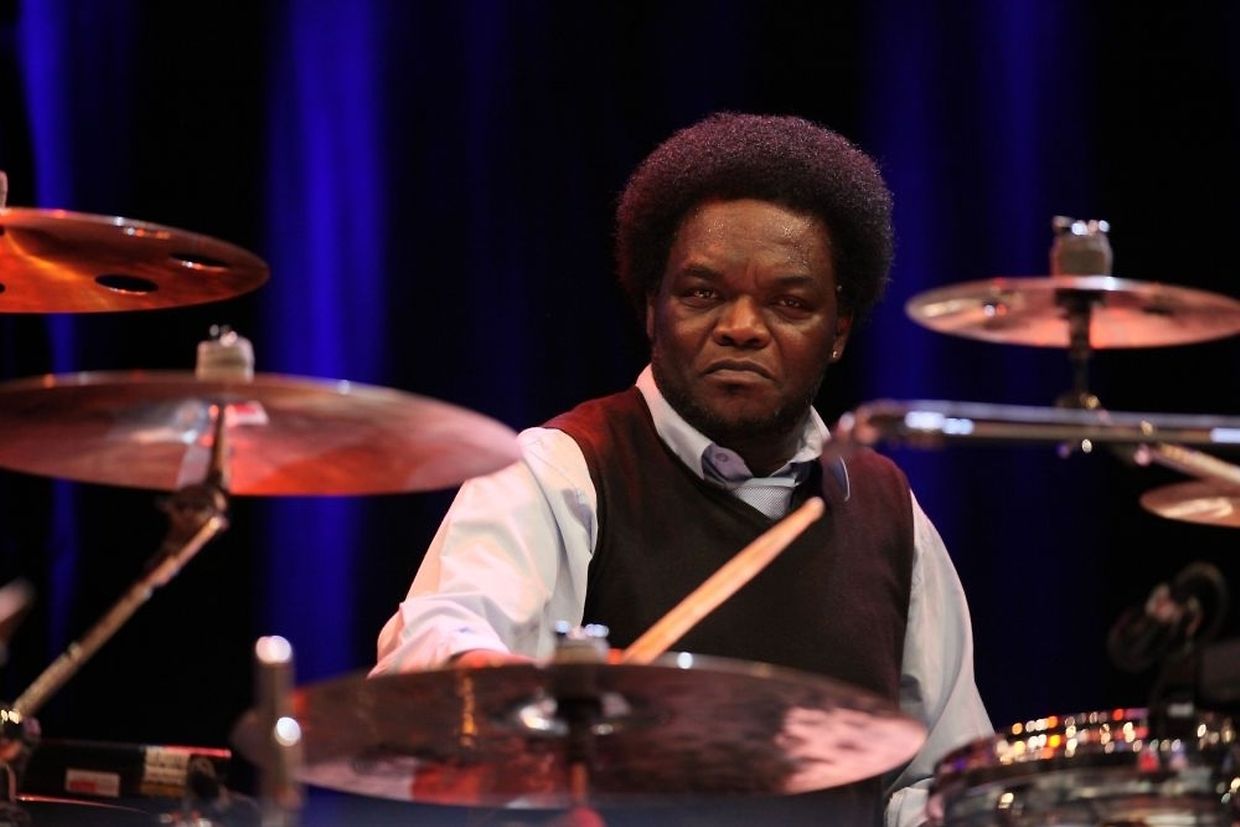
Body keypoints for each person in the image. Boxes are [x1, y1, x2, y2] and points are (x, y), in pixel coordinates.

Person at [374, 112, 992, 826]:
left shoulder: (889, 512)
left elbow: (940, 777)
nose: (741, 327)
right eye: (703, 292)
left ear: (837, 333)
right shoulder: (560, 470)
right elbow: (429, 656)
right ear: (651, 307)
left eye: (790, 303)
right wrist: (516, 697)